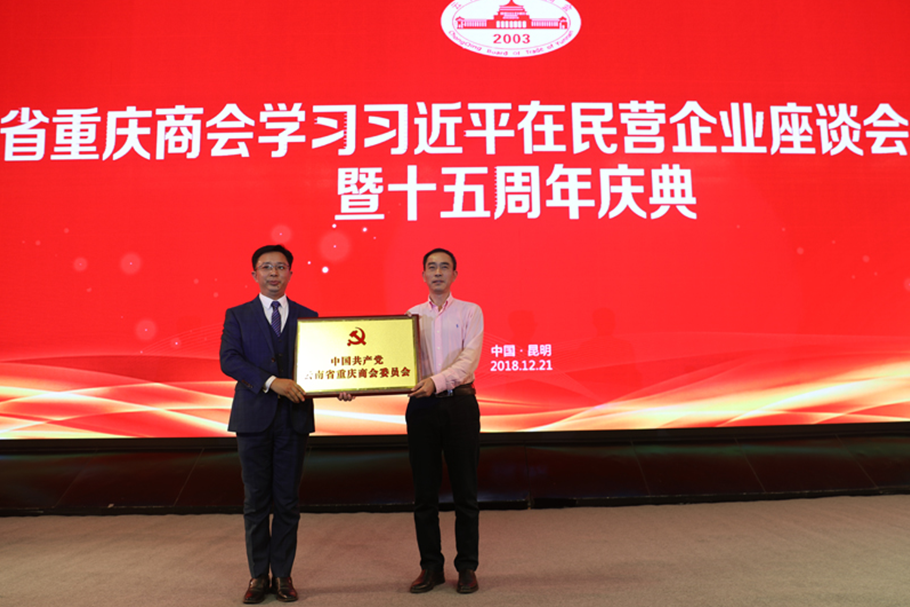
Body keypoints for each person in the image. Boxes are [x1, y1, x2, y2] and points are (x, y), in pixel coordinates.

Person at [219, 244, 316, 604]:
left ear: (291, 273)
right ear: (254, 274)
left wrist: (340, 386)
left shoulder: (309, 316)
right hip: (253, 419)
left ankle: (284, 575)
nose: (274, 273)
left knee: (288, 501)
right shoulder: (237, 315)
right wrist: (272, 382)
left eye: (280, 267)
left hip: (294, 419)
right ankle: (259, 575)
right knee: (256, 501)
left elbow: (321, 365)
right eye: (266, 267)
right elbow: (229, 360)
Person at [405, 248, 484, 594]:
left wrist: (436, 382)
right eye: (431, 267)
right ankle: (431, 567)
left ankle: (467, 567)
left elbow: (468, 361)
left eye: (444, 267)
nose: (437, 272)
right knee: (424, 493)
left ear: (454, 274)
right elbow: (397, 366)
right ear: (423, 275)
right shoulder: (410, 316)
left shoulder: (470, 311)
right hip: (421, 409)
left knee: (465, 490)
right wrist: (358, 386)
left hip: (460, 405)